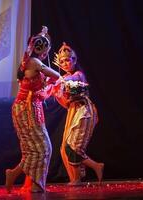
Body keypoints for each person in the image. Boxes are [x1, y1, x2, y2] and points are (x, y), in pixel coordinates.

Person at [5, 26, 60, 193]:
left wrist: (43, 34)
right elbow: (57, 76)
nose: (46, 53)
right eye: (45, 49)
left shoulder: (29, 61)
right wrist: (52, 85)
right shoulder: (34, 62)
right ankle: (28, 181)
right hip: (26, 109)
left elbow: (43, 87)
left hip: (30, 107)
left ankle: (26, 181)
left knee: (35, 149)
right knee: (43, 147)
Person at [52, 42, 104, 186]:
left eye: (67, 60)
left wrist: (57, 80)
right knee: (64, 148)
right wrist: (57, 93)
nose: (64, 63)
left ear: (74, 60)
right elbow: (66, 103)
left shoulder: (77, 75)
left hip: (84, 111)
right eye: (61, 61)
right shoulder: (64, 79)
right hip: (73, 111)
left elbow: (70, 79)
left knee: (73, 147)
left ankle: (95, 166)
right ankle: (75, 179)